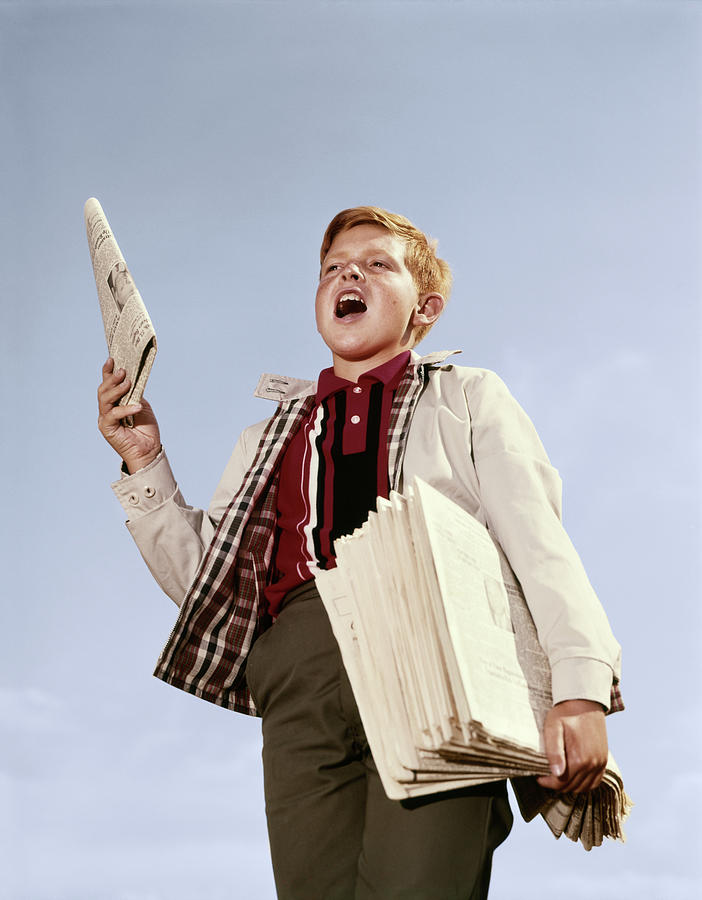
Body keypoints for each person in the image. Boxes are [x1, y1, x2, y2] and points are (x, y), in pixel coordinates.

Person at [97, 207, 622, 900]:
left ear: (424, 308)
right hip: (298, 675)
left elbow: (539, 544)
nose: (349, 273)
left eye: (378, 264)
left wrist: (580, 689)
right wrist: (144, 461)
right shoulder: (268, 435)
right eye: (334, 268)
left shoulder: (467, 398)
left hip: (436, 659)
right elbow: (210, 582)